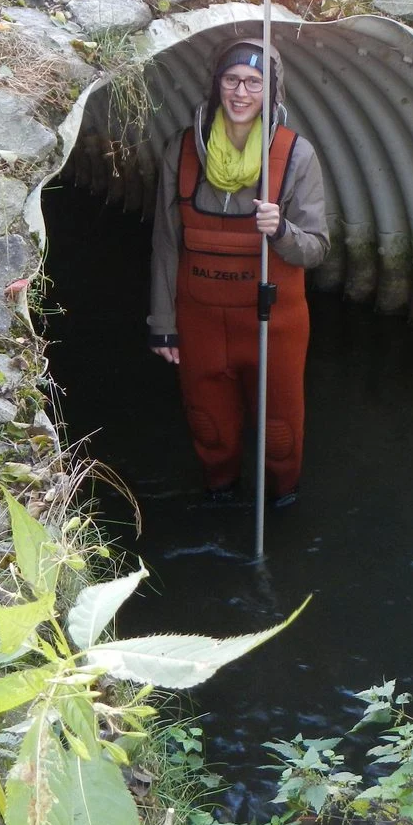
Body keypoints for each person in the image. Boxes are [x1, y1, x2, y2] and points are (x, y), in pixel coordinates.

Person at [147, 36, 329, 508]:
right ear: (217, 85)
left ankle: (283, 505)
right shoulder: (182, 150)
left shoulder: (297, 155)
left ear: (271, 91)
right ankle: (219, 499)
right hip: (200, 321)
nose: (241, 92)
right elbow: (166, 243)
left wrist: (281, 230)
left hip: (273, 324)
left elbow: (316, 249)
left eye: (253, 82)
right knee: (210, 429)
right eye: (231, 80)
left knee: (280, 434)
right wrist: (162, 324)